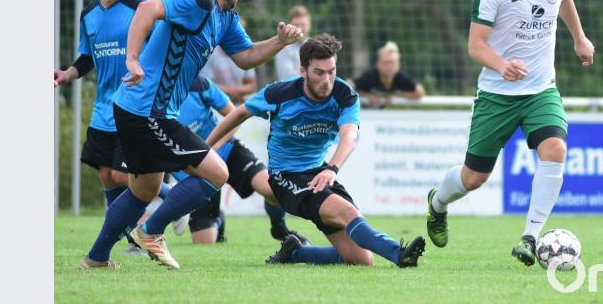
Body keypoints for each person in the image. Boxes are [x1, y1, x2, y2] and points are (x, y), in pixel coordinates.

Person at [80, 0, 303, 270]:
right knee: (217, 173)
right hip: (147, 111)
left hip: (142, 111)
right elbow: (146, 10)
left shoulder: (225, 17)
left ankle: (96, 258)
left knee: (144, 189)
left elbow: (245, 58)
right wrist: (131, 57)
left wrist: (280, 42)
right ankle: (152, 231)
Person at [425, 0, 595, 267]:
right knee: (474, 178)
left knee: (555, 148)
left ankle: (530, 238)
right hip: (496, 95)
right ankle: (438, 204)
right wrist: (501, 65)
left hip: (540, 91)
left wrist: (579, 38)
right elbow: (475, 46)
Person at [205, 34, 426, 268]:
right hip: (286, 177)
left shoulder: (345, 95)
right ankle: (399, 254)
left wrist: (332, 168)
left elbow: (349, 137)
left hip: (320, 173)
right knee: (347, 212)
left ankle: (295, 253)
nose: (327, 79)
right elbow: (239, 114)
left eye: (331, 71)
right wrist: (207, 148)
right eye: (319, 73)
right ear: (304, 71)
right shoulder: (280, 93)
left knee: (361, 259)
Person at [54, 0, 174, 253]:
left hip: (135, 104)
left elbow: (163, 48)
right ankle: (128, 233)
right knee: (107, 175)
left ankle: (172, 196)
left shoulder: (143, 8)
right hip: (102, 108)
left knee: (124, 173)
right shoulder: (89, 15)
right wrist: (67, 74)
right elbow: (87, 57)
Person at [173, 74, 310, 245]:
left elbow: (234, 115)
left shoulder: (199, 83)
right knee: (204, 242)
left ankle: (280, 229)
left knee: (271, 189)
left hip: (227, 150)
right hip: (196, 168)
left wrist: (215, 146)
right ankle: (218, 220)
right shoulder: (152, 98)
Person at [350, 41, 426, 108]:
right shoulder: (370, 76)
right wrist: (367, 95)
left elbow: (420, 92)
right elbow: (349, 85)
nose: (389, 66)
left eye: (392, 63)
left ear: (398, 65)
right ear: (377, 64)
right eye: (386, 62)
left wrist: (397, 95)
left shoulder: (401, 77)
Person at [201, 18, 258, 104]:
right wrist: (231, 93)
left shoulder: (245, 51)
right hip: (216, 104)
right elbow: (205, 85)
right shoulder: (210, 53)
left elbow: (252, 86)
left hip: (240, 102)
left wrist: (234, 92)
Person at [274, 5, 312, 80]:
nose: (300, 29)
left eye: (303, 25)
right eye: (296, 25)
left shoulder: (316, 45)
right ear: (290, 26)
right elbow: (287, 78)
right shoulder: (283, 47)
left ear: (309, 25)